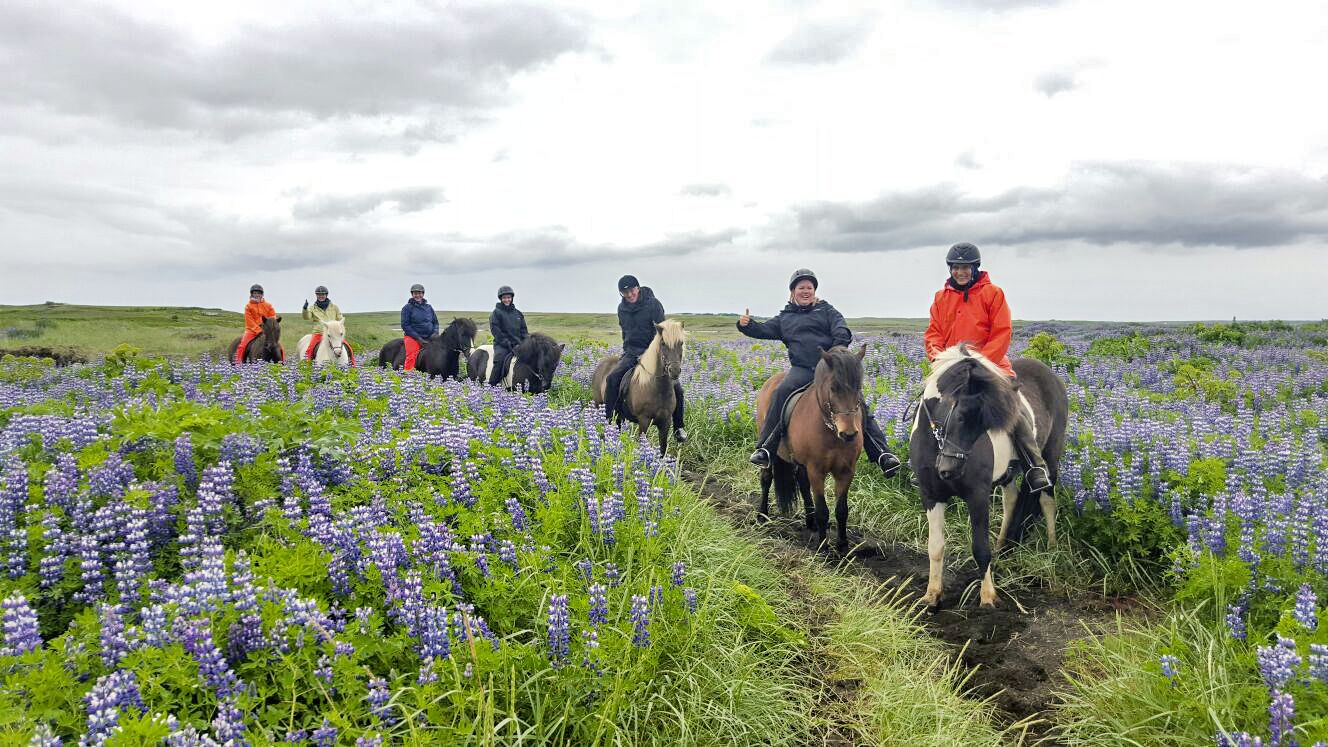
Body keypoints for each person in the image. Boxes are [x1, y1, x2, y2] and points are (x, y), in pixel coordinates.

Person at [739, 269, 902, 477]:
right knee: (780, 393)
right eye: (801, 288)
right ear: (793, 292)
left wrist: (836, 355)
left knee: (856, 400)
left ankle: (881, 453)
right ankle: (766, 448)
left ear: (814, 290)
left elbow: (841, 330)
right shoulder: (785, 317)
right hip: (802, 370)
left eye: (809, 287)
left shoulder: (826, 310)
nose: (805, 291)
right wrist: (746, 325)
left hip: (828, 368)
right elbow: (763, 330)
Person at [924, 242, 1051, 492]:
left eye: (966, 268)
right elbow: (933, 334)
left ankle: (1034, 464)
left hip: (990, 364)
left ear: (975, 268)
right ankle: (922, 462)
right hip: (952, 369)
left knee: (1012, 404)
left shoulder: (993, 293)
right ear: (951, 269)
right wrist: (939, 358)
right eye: (957, 267)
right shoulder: (941, 297)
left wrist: (980, 362)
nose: (961, 272)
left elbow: (1002, 332)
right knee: (927, 404)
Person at [603, 275, 687, 443]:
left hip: (653, 352)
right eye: (625, 292)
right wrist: (628, 350)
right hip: (632, 351)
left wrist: (653, 352)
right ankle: (611, 423)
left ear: (638, 288)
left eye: (632, 290)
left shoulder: (653, 304)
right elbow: (625, 332)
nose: (629, 294)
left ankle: (678, 426)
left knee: (677, 388)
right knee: (613, 379)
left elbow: (664, 332)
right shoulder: (622, 309)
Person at [487, 285, 528, 385]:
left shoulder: (518, 314)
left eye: (509, 297)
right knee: (499, 360)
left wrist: (526, 342)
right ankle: (491, 386)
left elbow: (523, 331)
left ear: (512, 298)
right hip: (502, 345)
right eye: (504, 298)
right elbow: (496, 332)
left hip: (518, 344)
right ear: (501, 299)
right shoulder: (496, 313)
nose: (507, 300)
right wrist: (508, 344)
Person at [235, 283, 278, 364]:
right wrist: (258, 330)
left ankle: (282, 363)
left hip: (267, 331)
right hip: (251, 331)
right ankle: (238, 364)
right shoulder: (248, 306)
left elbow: (272, 317)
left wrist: (269, 328)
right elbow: (249, 321)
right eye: (255, 293)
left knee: (279, 346)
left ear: (262, 294)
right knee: (242, 346)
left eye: (259, 293)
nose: (257, 295)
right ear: (252, 294)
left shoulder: (268, 305)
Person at [400, 283, 438, 371]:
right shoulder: (407, 308)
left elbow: (435, 322)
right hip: (413, 337)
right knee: (412, 356)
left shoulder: (429, 307)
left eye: (420, 293)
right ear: (412, 294)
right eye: (415, 293)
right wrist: (418, 338)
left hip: (429, 336)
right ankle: (408, 376)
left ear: (423, 294)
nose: (418, 295)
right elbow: (405, 325)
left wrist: (435, 333)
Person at [301, 285, 345, 360]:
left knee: (348, 347)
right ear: (316, 295)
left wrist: (338, 329)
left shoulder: (334, 307)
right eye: (318, 294)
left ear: (326, 295)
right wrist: (305, 309)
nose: (320, 296)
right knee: (310, 349)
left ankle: (352, 365)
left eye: (323, 294)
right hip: (318, 332)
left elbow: (340, 319)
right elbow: (306, 317)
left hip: (333, 334)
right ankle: (307, 365)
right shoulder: (312, 308)